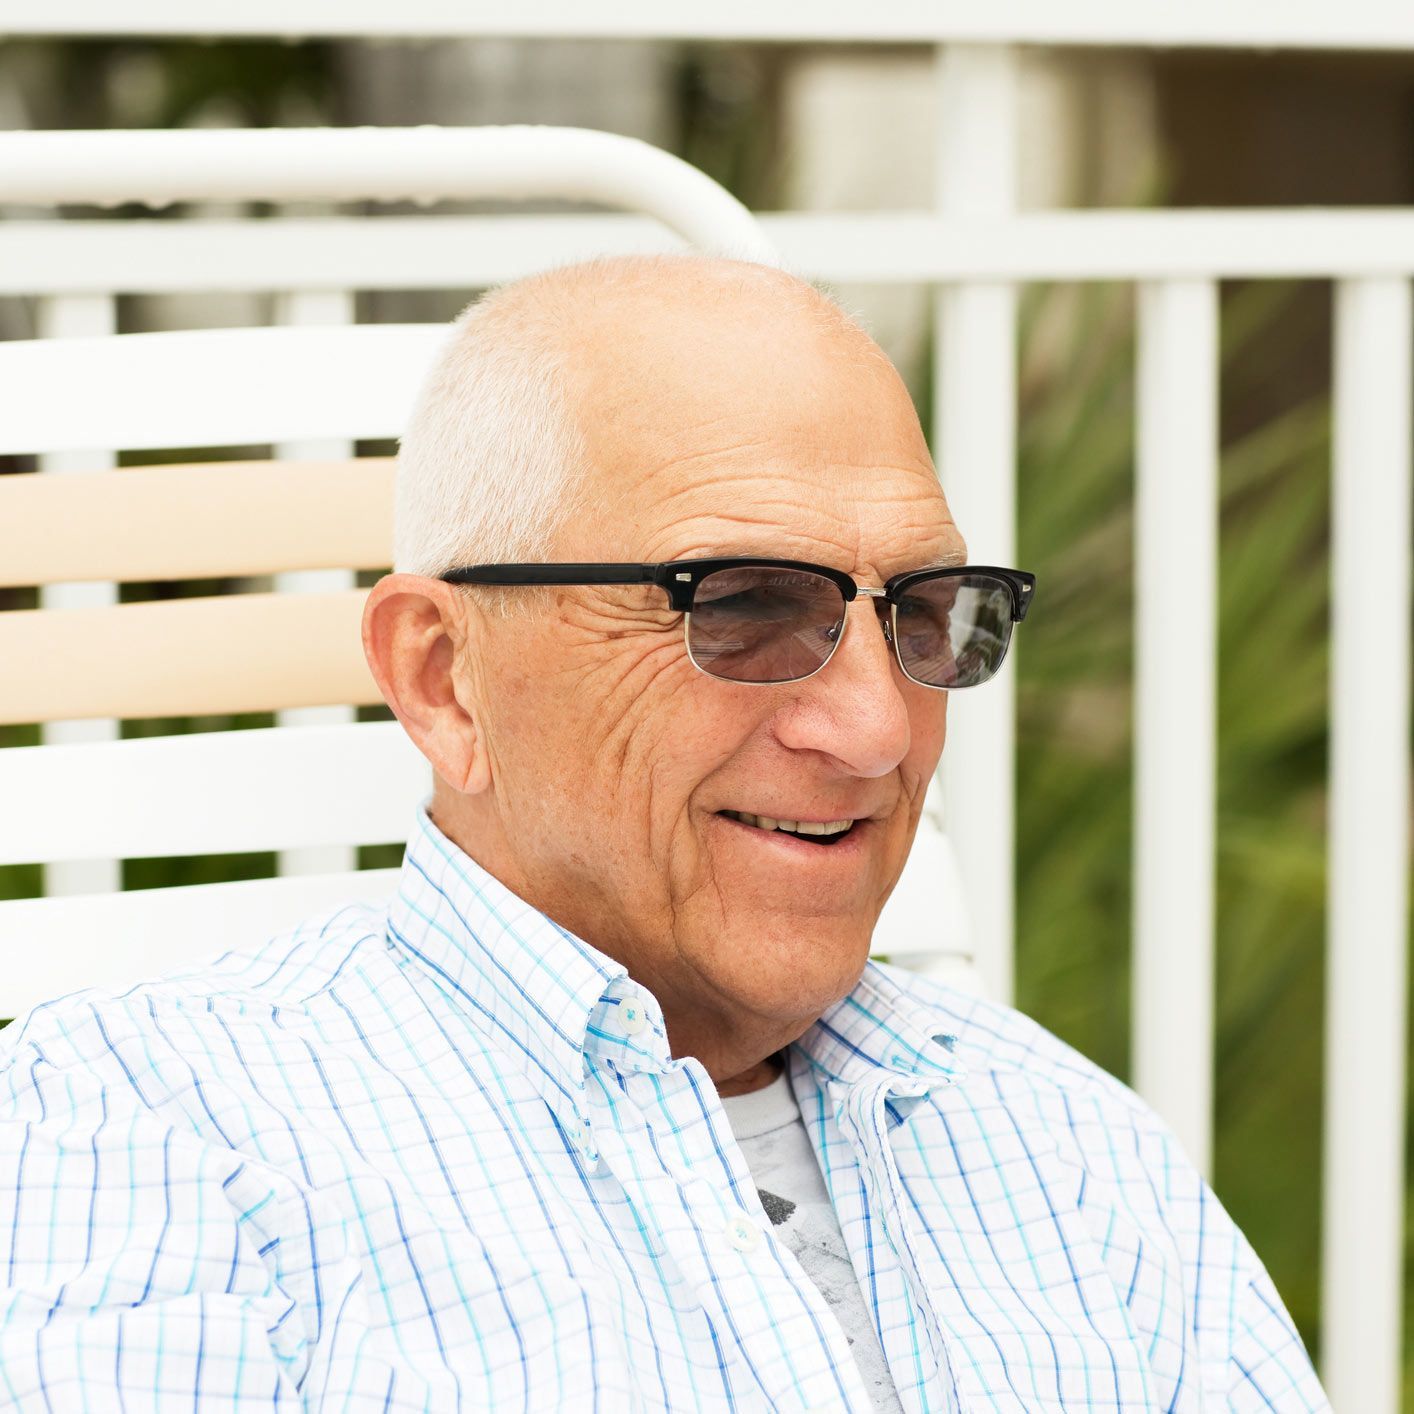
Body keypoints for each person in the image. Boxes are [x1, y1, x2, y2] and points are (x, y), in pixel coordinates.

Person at [0, 253, 1327, 1412]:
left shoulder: (1066, 1153)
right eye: (741, 605)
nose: (874, 727)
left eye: (923, 610)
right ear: (443, 676)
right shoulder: (145, 1133)